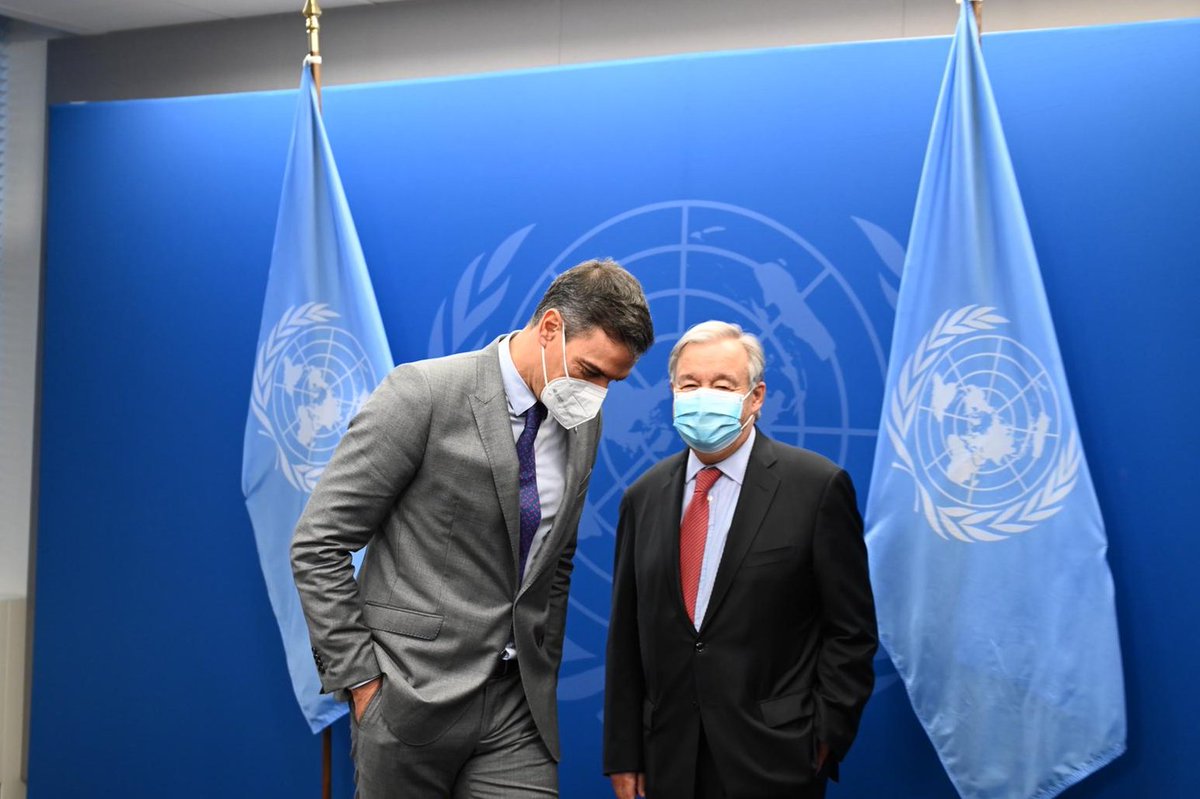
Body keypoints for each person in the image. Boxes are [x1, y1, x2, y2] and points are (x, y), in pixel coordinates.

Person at [292, 259, 653, 798]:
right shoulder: (423, 392)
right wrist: (362, 683)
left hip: (517, 713)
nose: (598, 391)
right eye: (590, 370)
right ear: (550, 327)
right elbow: (318, 542)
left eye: (612, 381)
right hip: (408, 700)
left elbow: (556, 558)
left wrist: (542, 668)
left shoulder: (582, 420)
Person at [603, 320, 877, 799]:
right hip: (669, 760)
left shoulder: (816, 488)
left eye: (723, 385)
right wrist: (624, 752)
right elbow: (627, 635)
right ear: (672, 392)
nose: (703, 397)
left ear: (755, 398)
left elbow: (851, 631)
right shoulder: (642, 497)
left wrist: (824, 734)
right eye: (690, 384)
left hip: (776, 759)